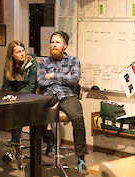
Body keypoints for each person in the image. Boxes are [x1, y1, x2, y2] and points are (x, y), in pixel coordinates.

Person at [37, 31, 88, 174]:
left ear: (65, 45)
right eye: (52, 42)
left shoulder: (73, 61)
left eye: (57, 42)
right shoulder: (43, 62)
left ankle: (81, 158)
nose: (54, 45)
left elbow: (74, 79)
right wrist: (64, 77)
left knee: (77, 117)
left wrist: (53, 75)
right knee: (35, 112)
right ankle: (50, 142)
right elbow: (41, 81)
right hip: (48, 95)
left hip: (67, 95)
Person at [0, 41, 38, 162]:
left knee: (17, 114)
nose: (22, 54)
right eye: (18, 52)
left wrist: (16, 97)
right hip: (12, 97)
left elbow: (32, 86)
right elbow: (6, 86)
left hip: (27, 98)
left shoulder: (32, 64)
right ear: (12, 55)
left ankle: (14, 147)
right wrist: (7, 97)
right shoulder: (9, 65)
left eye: (23, 50)